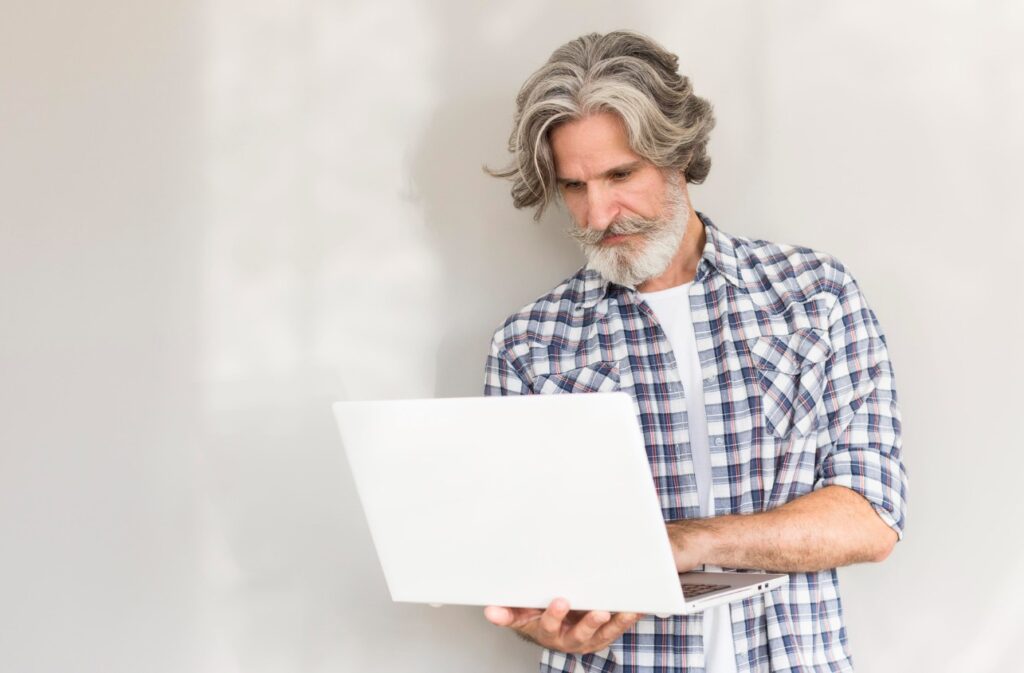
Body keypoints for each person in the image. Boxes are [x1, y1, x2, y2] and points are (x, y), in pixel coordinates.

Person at [481, 31, 908, 673]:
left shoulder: (815, 296)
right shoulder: (528, 345)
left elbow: (870, 518)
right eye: (575, 186)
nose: (598, 213)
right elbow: (523, 560)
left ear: (677, 156)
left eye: (621, 175)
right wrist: (549, 631)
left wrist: (683, 543)